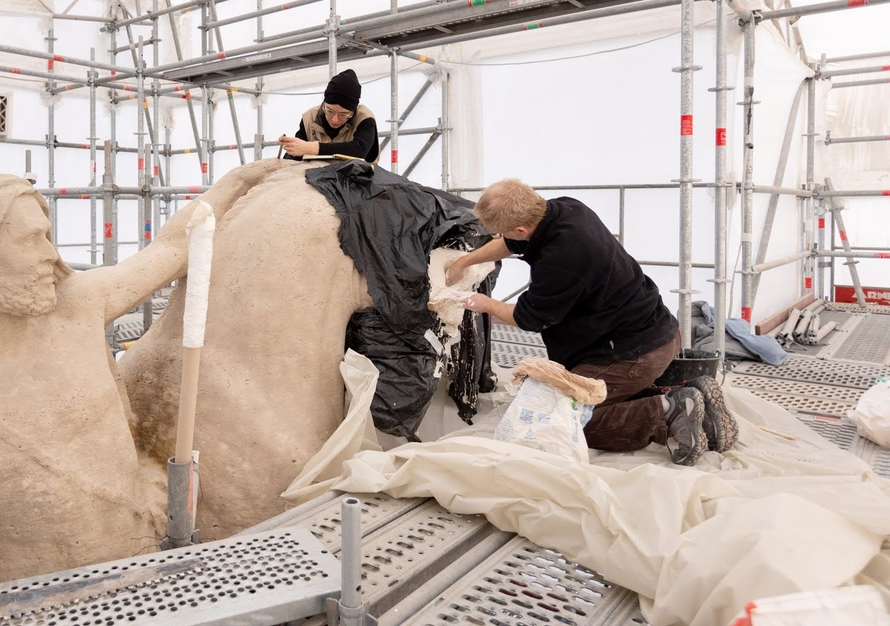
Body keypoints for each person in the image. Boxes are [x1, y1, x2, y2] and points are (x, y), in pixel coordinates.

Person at [0, 164, 284, 607]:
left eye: (47, 236)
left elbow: (176, 246)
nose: (52, 255)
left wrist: (239, 181)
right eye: (29, 240)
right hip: (39, 607)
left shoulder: (78, 305)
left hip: (154, 570)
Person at [445, 178, 738, 466]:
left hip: (631, 353)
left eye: (502, 231)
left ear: (521, 228)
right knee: (590, 400)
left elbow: (528, 318)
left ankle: (664, 412)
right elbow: (510, 244)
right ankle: (691, 400)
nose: (502, 238)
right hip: (654, 332)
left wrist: (483, 304)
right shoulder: (564, 209)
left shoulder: (561, 258)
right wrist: (464, 262)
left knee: (565, 422)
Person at [279, 68, 379, 162]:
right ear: (324, 104)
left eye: (343, 114)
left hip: (358, 178)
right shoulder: (309, 118)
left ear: (352, 112)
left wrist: (314, 148)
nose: (335, 119)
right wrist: (291, 147)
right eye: (330, 111)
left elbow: (360, 150)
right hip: (315, 177)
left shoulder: (365, 118)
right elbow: (296, 155)